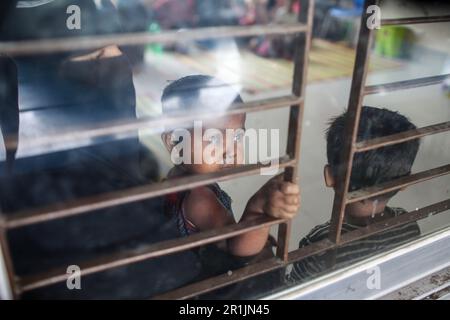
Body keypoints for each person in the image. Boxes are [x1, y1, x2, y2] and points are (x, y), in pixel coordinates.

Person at [288, 106, 421, 283]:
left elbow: (294, 291)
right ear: (405, 183)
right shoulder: (408, 223)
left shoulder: (320, 242)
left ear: (329, 177)